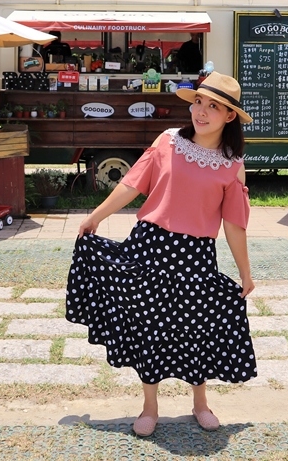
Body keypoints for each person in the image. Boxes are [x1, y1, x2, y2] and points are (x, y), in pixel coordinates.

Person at [66, 72, 256, 437]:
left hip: (195, 257)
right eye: (199, 101)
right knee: (149, 327)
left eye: (213, 106)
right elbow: (131, 185)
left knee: (195, 329)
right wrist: (95, 217)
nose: (201, 111)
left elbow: (234, 225)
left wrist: (245, 273)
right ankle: (149, 406)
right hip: (149, 247)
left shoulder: (232, 165)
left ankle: (200, 403)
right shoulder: (168, 141)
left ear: (229, 116)